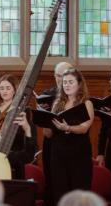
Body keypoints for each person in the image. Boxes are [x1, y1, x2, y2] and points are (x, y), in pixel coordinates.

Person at [44, 68, 94, 204]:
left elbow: (84, 128)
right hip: (58, 154)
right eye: (64, 82)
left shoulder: (86, 103)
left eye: (70, 82)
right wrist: (43, 119)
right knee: (60, 192)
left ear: (79, 84)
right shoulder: (57, 103)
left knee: (78, 194)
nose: (66, 85)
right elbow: (48, 133)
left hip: (78, 154)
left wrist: (68, 128)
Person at [0, 74, 37, 178]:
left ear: (15, 90)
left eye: (8, 88)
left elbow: (29, 138)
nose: (4, 91)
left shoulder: (24, 110)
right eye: (2, 88)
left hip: (15, 159)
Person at [39, 61, 73, 206]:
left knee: (69, 184)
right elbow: (45, 130)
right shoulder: (47, 95)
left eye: (64, 76)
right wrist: (41, 109)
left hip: (71, 145)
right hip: (51, 143)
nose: (60, 79)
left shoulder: (77, 96)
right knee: (52, 182)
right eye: (57, 76)